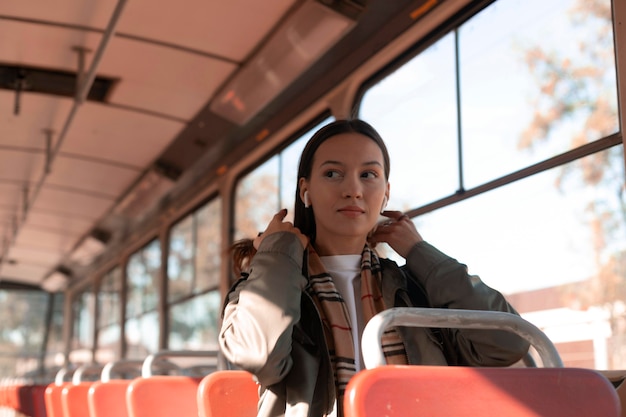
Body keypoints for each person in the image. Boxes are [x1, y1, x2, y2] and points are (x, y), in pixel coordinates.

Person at [219, 119, 529, 417]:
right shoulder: (270, 283)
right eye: (332, 174)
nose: (353, 189)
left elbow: (508, 342)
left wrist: (420, 253)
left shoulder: (415, 288)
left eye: (368, 175)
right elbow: (258, 356)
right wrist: (278, 254)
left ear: (386, 193)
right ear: (306, 191)